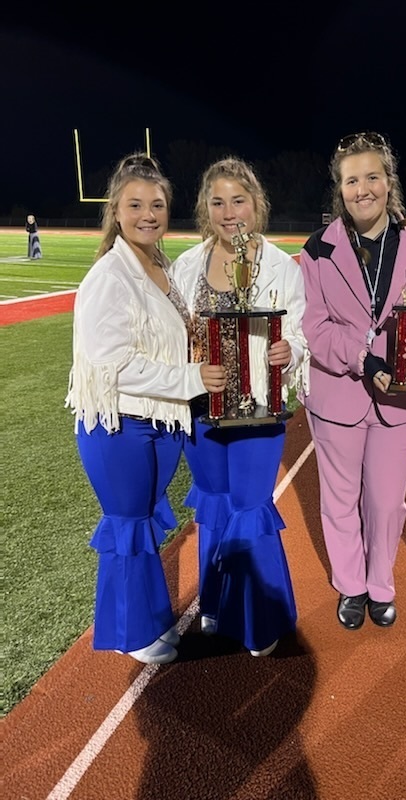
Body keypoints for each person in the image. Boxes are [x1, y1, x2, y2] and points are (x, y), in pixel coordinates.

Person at [65, 153, 209, 665]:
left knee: (142, 521)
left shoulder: (160, 265)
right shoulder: (110, 275)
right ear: (116, 211)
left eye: (158, 204)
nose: (148, 214)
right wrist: (192, 377)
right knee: (127, 524)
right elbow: (115, 366)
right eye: (136, 205)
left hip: (154, 420)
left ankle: (149, 618)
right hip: (119, 425)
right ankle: (131, 631)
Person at [298, 131, 406, 631]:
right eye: (351, 180)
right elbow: (314, 327)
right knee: (338, 499)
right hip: (338, 392)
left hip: (401, 398)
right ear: (340, 188)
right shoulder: (317, 250)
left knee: (385, 501)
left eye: (372, 177)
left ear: (388, 181)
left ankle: (381, 584)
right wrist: (365, 358)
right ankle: (352, 586)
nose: (363, 189)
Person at [170, 157, 307, 657]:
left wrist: (288, 351)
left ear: (257, 205)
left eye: (239, 200)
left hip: (259, 411)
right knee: (213, 503)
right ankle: (215, 600)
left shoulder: (280, 266)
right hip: (202, 410)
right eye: (218, 202)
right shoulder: (187, 264)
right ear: (207, 209)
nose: (230, 212)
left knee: (249, 505)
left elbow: (298, 331)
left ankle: (259, 616)